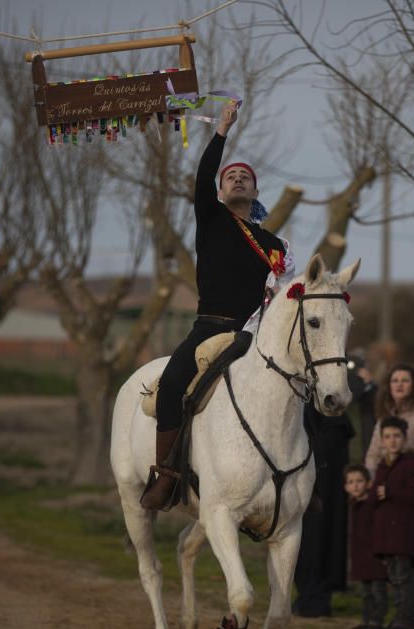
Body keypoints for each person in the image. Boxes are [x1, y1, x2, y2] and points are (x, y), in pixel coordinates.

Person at [141, 101, 293, 510]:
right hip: (209, 328)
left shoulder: (276, 246)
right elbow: (203, 175)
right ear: (222, 191)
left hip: (252, 335)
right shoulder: (211, 218)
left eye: (246, 177)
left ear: (256, 192)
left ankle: (298, 478)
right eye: (232, 177)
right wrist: (222, 132)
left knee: (301, 385)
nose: (239, 179)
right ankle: (166, 476)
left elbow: (285, 291)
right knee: (173, 385)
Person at [363, 363, 414, 629]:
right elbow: (372, 457)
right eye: (394, 380)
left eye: (405, 381)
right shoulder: (383, 419)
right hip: (388, 501)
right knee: (399, 561)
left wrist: (399, 446)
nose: (398, 385)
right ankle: (402, 616)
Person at [369, 417, 414, 629]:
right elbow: (374, 495)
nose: (392, 441)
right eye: (387, 437)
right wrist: (379, 493)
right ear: (382, 440)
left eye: (396, 436)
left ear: (404, 438)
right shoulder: (383, 465)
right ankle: (398, 620)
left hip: (404, 533)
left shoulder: (412, 464)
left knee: (404, 577)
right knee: (395, 578)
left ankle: (405, 624)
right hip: (386, 535)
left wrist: (390, 491)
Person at [292, 403, 352, 617]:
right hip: (306, 464)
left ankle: (317, 596)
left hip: (325, 467)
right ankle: (306, 593)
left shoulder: (333, 423)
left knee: (322, 529)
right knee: (304, 535)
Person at [343, 463, 388, 629]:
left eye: (359, 481)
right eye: (351, 482)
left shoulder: (373, 505)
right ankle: (367, 620)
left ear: (369, 484)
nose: (355, 485)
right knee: (366, 592)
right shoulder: (353, 506)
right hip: (361, 555)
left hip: (375, 555)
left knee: (378, 591)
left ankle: (377, 621)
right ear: (346, 486)